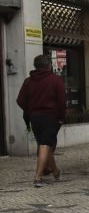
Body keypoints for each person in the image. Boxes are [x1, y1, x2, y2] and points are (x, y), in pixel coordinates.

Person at [17, 54, 66, 187]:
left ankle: (55, 171)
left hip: (35, 118)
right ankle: (37, 178)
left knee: (45, 145)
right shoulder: (56, 80)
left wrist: (31, 110)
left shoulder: (28, 81)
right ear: (49, 66)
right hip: (51, 117)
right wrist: (61, 118)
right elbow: (61, 101)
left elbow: (20, 100)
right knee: (45, 145)